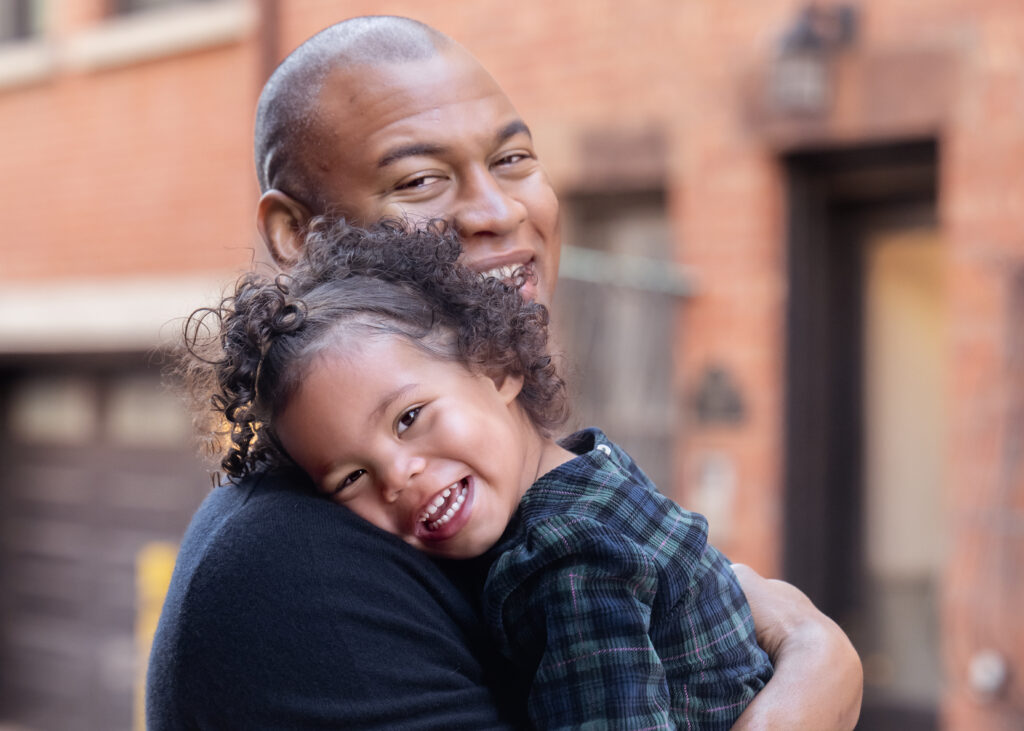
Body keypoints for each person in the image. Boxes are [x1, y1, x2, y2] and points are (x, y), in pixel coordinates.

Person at [147, 15, 862, 730]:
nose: (497, 210)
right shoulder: (291, 573)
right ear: (296, 237)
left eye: (514, 159)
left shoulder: (557, 498)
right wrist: (812, 673)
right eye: (421, 179)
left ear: (498, 374)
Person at [179, 219, 775, 729]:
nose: (398, 476)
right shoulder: (600, 469)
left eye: (409, 417)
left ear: (497, 366)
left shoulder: (564, 561)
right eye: (350, 477)